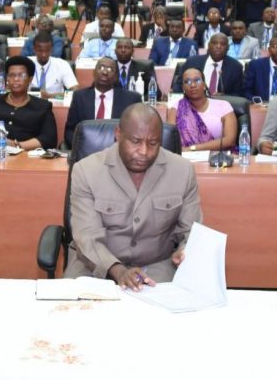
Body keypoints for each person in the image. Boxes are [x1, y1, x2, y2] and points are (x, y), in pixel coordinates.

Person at [65, 103, 200, 287]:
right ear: (118, 134)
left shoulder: (183, 171)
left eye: (153, 143)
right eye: (135, 141)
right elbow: (87, 236)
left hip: (157, 266)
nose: (144, 152)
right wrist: (118, 270)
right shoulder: (86, 170)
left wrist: (185, 251)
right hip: (93, 265)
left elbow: (192, 231)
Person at [0, 56, 57, 149]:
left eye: (21, 75)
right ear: (7, 79)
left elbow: (49, 139)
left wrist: (18, 146)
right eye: (11, 75)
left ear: (30, 79)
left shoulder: (42, 106)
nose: (16, 79)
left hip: (25, 155)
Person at [64, 57, 143, 146]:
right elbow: (69, 131)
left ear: (116, 76)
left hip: (117, 150)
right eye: (101, 67)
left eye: (110, 69)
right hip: (87, 150)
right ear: (93, 72)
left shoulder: (131, 99)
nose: (105, 72)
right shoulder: (79, 97)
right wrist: (82, 146)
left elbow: (137, 131)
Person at [168, 67, 237, 152]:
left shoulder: (223, 106)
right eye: (187, 82)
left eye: (197, 80)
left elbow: (230, 141)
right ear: (183, 88)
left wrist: (193, 149)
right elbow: (171, 141)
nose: (192, 85)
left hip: (218, 157)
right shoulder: (176, 108)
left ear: (204, 85)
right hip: (185, 157)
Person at [172, 33, 243, 96]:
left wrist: (225, 97)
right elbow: (179, 85)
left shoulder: (235, 67)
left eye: (223, 44)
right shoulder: (192, 62)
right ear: (208, 45)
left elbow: (238, 93)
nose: (218, 46)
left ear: (228, 48)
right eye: (214, 43)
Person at [242, 35, 277, 102]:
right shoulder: (256, 65)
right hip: (261, 104)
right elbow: (246, 90)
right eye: (274, 47)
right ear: (269, 49)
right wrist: (257, 101)